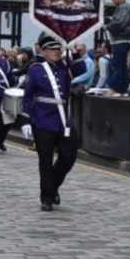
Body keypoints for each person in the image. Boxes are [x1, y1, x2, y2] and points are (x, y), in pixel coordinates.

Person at [21, 34, 87, 211]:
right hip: (43, 118)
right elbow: (28, 95)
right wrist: (26, 119)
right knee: (45, 159)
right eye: (52, 49)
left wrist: (73, 51)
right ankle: (47, 197)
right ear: (44, 51)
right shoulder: (36, 69)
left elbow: (81, 69)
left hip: (64, 120)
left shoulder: (66, 66)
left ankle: (53, 185)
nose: (56, 52)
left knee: (69, 155)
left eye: (58, 48)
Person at [103, 0, 130, 95]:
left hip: (120, 40)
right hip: (121, 40)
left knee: (117, 65)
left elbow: (119, 23)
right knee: (122, 66)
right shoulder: (122, 8)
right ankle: (123, 89)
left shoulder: (124, 7)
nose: (112, 0)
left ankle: (117, 89)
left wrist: (107, 26)